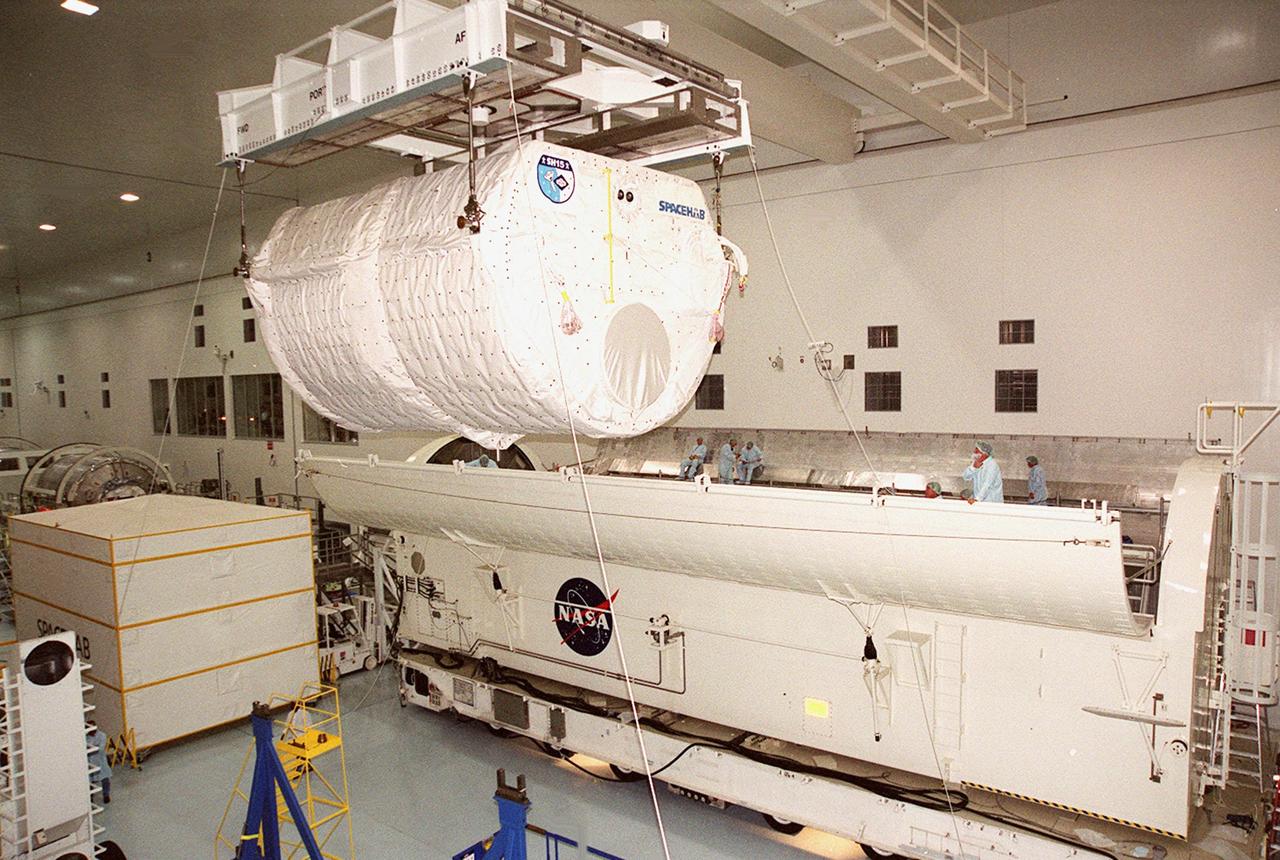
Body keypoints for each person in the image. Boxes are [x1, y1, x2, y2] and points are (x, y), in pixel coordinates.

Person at [87, 721, 112, 804]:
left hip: (101, 761)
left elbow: (101, 748)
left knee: (105, 779)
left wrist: (90, 747)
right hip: (90, 761)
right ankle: (90, 797)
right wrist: (94, 747)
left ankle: (106, 795)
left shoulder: (102, 735)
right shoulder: (85, 737)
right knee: (90, 781)